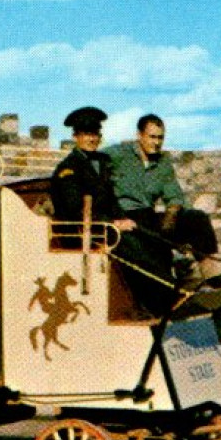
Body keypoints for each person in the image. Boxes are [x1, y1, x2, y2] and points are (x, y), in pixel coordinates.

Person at [50, 106, 173, 313]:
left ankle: (160, 293)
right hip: (84, 231)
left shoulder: (102, 163)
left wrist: (125, 219)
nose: (92, 139)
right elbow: (76, 210)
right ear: (76, 136)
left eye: (96, 134)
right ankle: (164, 296)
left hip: (104, 226)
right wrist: (113, 223)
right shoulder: (68, 169)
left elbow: (111, 200)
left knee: (149, 236)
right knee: (130, 245)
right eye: (87, 134)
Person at [105, 114, 221, 284]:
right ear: (139, 135)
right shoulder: (117, 154)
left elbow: (174, 197)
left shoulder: (163, 163)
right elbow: (91, 172)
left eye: (160, 138)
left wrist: (170, 219)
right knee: (153, 244)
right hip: (124, 216)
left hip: (148, 216)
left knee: (197, 218)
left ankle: (217, 279)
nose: (156, 142)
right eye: (152, 137)